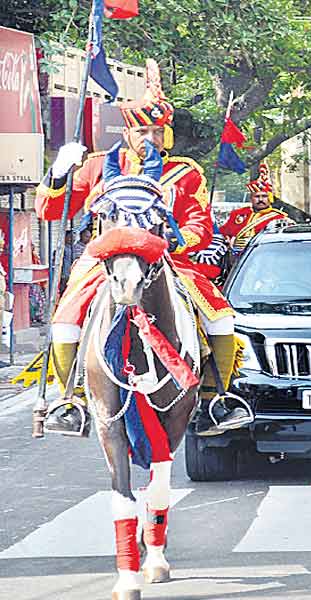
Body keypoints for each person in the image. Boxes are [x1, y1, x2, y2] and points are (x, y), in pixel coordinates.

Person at [33, 59, 247, 436]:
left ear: (166, 135)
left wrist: (179, 239)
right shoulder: (97, 167)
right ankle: (72, 399)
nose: (149, 137)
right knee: (64, 324)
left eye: (156, 131)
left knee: (221, 318)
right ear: (129, 133)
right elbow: (49, 210)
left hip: (166, 258)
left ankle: (217, 398)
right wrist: (59, 172)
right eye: (142, 130)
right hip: (103, 263)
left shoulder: (185, 172)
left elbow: (199, 222)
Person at [219, 164, 292, 256]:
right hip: (236, 256)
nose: (261, 200)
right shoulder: (238, 213)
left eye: (264, 196)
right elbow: (224, 233)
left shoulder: (279, 217)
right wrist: (228, 240)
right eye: (257, 196)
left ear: (269, 198)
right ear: (251, 198)